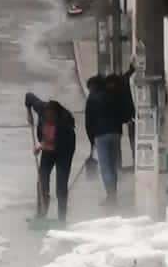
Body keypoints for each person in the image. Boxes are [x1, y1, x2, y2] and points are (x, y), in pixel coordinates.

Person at [26, 92, 76, 222]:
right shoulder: (41, 108)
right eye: (46, 117)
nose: (48, 119)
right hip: (48, 151)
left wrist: (41, 147)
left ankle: (62, 218)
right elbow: (28, 97)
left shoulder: (65, 123)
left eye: (51, 117)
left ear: (57, 115)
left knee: (61, 186)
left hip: (64, 152)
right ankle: (41, 214)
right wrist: (28, 112)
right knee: (42, 182)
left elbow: (59, 145)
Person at [85, 73, 123, 206]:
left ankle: (111, 197)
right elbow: (120, 114)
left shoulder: (92, 98)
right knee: (113, 166)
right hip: (115, 133)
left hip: (101, 135)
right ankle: (114, 195)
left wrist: (91, 141)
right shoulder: (112, 95)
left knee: (105, 167)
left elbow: (89, 122)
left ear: (92, 86)